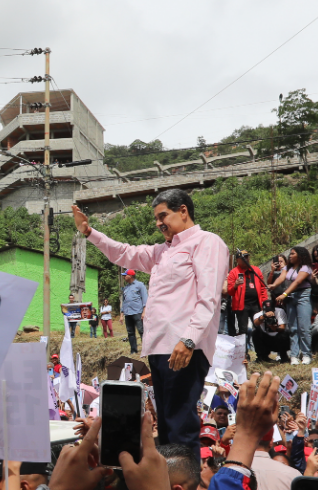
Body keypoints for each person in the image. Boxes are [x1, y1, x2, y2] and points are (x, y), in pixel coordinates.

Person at [73, 189, 228, 445]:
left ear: (183, 211)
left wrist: (189, 340)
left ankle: (185, 483)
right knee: (166, 424)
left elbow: (209, 297)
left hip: (184, 347)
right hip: (159, 347)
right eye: (156, 218)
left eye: (162, 216)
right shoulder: (161, 252)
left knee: (180, 425)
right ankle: (169, 481)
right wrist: (90, 233)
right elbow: (123, 253)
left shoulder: (206, 242)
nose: (158, 223)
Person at [272, 246, 314, 365]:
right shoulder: (287, 267)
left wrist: (284, 294)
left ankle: (306, 354)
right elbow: (281, 277)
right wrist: (273, 285)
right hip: (291, 298)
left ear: (300, 256)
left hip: (303, 295)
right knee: (293, 328)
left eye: (292, 254)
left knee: (304, 327)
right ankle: (294, 356)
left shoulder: (306, 267)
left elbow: (297, 281)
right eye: (290, 253)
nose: (290, 256)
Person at [223, 250, 269, 338]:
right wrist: (235, 285)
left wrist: (264, 301)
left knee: (259, 328)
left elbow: (263, 287)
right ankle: (243, 351)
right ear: (237, 260)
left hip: (256, 304)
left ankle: (260, 350)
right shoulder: (234, 272)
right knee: (243, 330)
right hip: (242, 305)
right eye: (243, 258)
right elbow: (230, 292)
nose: (245, 259)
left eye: (247, 257)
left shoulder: (256, 270)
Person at [120, 269, 146, 354]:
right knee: (130, 333)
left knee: (142, 331)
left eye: (125, 275)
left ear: (130, 276)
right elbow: (124, 301)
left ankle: (146, 350)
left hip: (137, 312)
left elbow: (145, 299)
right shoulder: (126, 288)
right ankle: (133, 350)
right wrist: (121, 314)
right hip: (128, 313)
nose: (124, 277)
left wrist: (144, 311)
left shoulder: (140, 285)